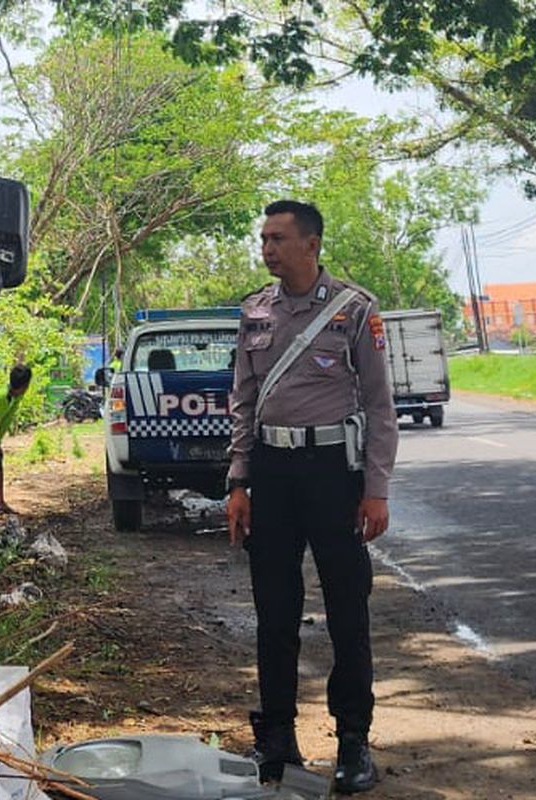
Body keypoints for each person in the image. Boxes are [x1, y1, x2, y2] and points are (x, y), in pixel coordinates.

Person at [225, 200, 397, 794]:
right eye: (264, 237)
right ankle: (277, 738)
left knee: (348, 608)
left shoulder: (354, 309)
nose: (267, 248)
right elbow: (242, 404)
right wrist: (238, 482)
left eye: (277, 238)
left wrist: (375, 490)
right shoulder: (255, 312)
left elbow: (379, 408)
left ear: (312, 244)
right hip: (271, 475)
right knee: (274, 611)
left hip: (333, 473)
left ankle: (353, 740)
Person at [0, 364, 32, 515]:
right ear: (25, 385)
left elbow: (6, 420)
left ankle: (0, 501)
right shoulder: (2, 398)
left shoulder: (16, 396)